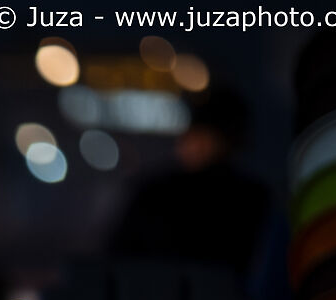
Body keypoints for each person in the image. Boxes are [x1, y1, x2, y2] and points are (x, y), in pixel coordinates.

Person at [110, 85, 271, 279]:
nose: (184, 144)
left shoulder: (156, 193)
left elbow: (117, 257)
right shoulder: (253, 198)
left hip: (156, 293)